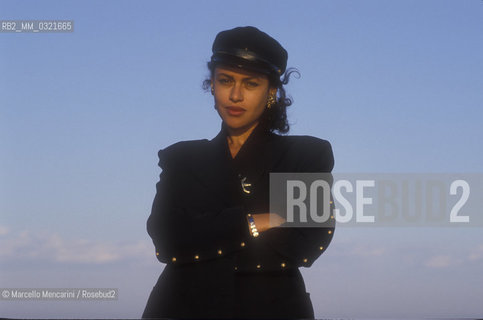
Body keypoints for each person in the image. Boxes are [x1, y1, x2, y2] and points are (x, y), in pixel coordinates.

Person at [142, 26, 335, 319]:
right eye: (226, 80)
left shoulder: (305, 156)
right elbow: (166, 240)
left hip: (272, 309)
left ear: (271, 92)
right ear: (212, 85)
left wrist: (201, 235)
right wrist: (255, 222)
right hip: (179, 308)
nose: (235, 95)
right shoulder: (180, 158)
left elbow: (306, 242)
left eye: (251, 84)